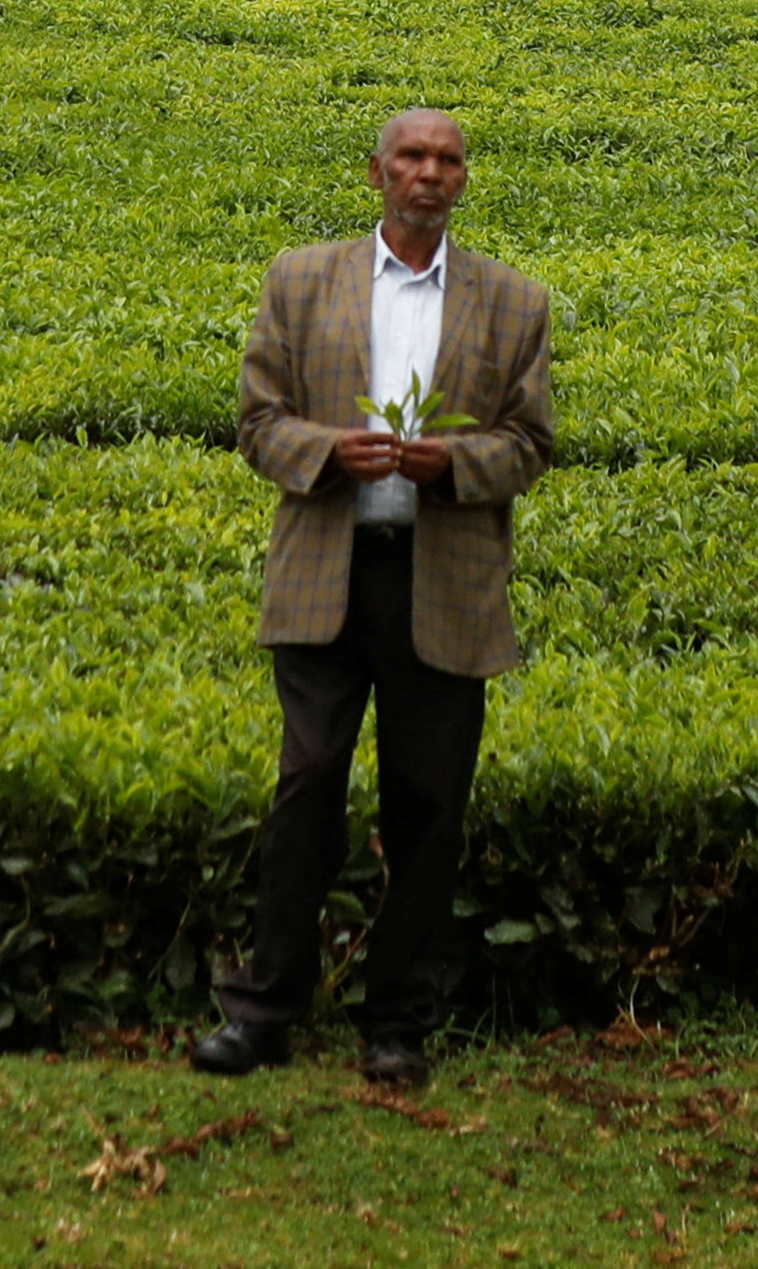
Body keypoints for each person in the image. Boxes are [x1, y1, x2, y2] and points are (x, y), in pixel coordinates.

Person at [189, 104, 558, 1088]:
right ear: (376, 171)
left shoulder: (514, 301)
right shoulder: (301, 279)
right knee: (308, 785)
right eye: (411, 157)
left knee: (428, 807)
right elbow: (257, 420)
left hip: (443, 581)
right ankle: (263, 1012)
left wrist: (453, 464)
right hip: (326, 572)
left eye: (447, 160)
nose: (428, 173)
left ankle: (396, 1025)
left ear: (463, 179)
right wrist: (327, 452)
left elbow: (530, 443)